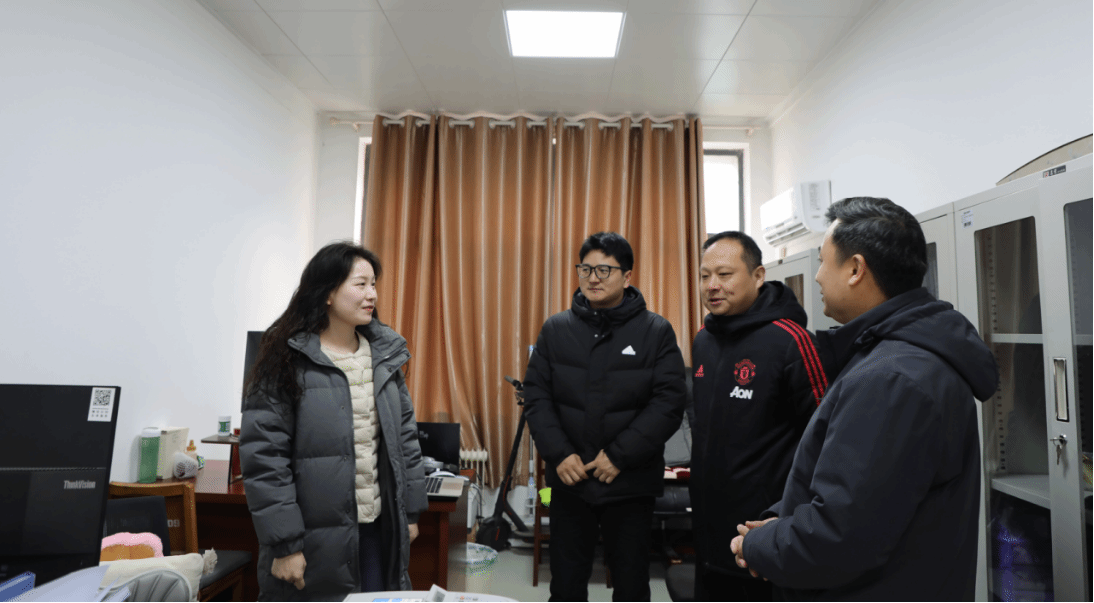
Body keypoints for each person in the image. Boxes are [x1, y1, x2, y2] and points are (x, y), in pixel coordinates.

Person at [730, 197, 999, 601]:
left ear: (855, 269)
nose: (817, 276)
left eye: (823, 262)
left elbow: (839, 537)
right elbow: (862, 502)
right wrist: (780, 524)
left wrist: (756, 545)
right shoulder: (894, 356)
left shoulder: (891, 378)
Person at [239, 242, 428, 601]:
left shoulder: (384, 356)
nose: (372, 294)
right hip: (312, 540)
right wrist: (286, 545)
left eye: (374, 284)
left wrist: (411, 512)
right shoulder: (285, 359)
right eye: (360, 284)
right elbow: (265, 459)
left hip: (377, 531)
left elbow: (405, 440)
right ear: (327, 292)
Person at [522, 231, 687, 602]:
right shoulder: (556, 329)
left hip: (630, 482)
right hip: (570, 481)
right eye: (585, 269)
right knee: (565, 585)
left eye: (604, 270)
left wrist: (619, 456)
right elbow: (536, 396)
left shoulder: (655, 331)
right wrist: (559, 454)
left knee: (631, 585)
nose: (592, 278)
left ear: (626, 277)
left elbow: (668, 402)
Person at [689, 231, 827, 602]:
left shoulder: (792, 340)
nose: (712, 285)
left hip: (762, 529)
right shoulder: (704, 338)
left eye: (724, 274)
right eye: (704, 276)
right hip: (707, 527)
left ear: (758, 276)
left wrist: (790, 516)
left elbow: (826, 437)